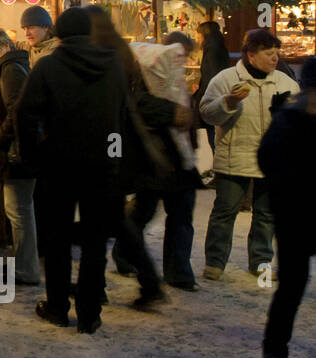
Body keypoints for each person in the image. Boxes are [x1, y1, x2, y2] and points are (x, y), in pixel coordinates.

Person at [16, 7, 130, 333]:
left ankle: (57, 307)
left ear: (59, 34)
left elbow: (25, 113)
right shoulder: (113, 65)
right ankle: (90, 313)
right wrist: (115, 159)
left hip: (58, 165)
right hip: (102, 166)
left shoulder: (49, 66)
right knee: (95, 242)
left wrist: (32, 156)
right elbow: (121, 119)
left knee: (58, 241)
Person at [83, 6, 180, 310]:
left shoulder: (101, 58)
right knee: (111, 219)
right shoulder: (121, 53)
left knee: (103, 219)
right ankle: (141, 285)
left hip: (112, 146)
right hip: (127, 147)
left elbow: (113, 105)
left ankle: (123, 286)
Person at [199, 28, 300, 279]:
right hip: (235, 157)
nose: (275, 58)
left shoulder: (285, 83)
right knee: (225, 212)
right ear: (251, 56)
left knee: (266, 215)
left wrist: (286, 115)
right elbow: (206, 113)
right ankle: (215, 262)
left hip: (272, 161)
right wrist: (229, 102)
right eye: (268, 53)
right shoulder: (225, 79)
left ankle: (261, 263)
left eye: (277, 53)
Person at [125, 32, 203, 292]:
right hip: (155, 160)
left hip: (178, 163)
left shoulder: (172, 80)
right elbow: (138, 105)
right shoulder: (145, 77)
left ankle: (179, 272)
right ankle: (125, 256)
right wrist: (172, 113)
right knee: (143, 213)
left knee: (179, 215)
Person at [257, 56, 316, 358]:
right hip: (295, 215)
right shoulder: (289, 121)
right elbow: (268, 161)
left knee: (291, 287)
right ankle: (274, 355)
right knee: (291, 287)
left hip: (298, 212)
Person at [0, 26, 39, 285]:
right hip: (17, 152)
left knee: (20, 212)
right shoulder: (9, 68)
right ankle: (24, 264)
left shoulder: (11, 70)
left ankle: (27, 270)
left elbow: (16, 112)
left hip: (17, 155)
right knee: (20, 212)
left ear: (4, 46)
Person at [194, 21, 230, 152]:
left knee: (213, 136)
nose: (198, 38)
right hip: (214, 96)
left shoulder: (213, 50)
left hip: (212, 99)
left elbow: (212, 76)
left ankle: (216, 163)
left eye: (199, 35)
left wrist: (203, 93)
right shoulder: (217, 48)